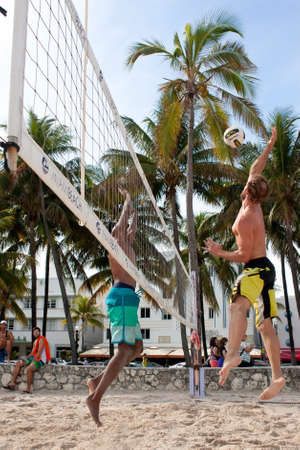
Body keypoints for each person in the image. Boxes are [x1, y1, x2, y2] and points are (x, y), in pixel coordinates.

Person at [203, 127, 286, 400]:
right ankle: (277, 377)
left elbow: (243, 255)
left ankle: (234, 354)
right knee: (265, 327)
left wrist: (218, 251)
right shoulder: (252, 202)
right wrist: (270, 144)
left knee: (236, 305)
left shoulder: (248, 218)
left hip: (257, 267)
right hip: (266, 270)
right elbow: (256, 166)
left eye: (248, 184)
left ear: (248, 192)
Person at [86, 188, 143, 426]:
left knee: (137, 348)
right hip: (120, 297)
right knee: (122, 352)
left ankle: (97, 381)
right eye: (122, 230)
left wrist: (135, 212)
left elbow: (132, 229)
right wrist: (127, 202)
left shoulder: (126, 245)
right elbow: (121, 227)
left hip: (128, 298)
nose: (125, 232)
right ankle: (95, 399)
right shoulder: (114, 240)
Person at [3, 327, 50, 393]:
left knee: (28, 369)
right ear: (33, 333)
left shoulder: (42, 340)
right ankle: (12, 383)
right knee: (19, 363)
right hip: (34, 358)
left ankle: (28, 389)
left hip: (40, 360)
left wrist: (32, 362)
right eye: (34, 332)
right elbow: (32, 353)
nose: (36, 333)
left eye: (37, 331)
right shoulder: (35, 341)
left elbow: (39, 353)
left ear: (40, 332)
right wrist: (25, 358)